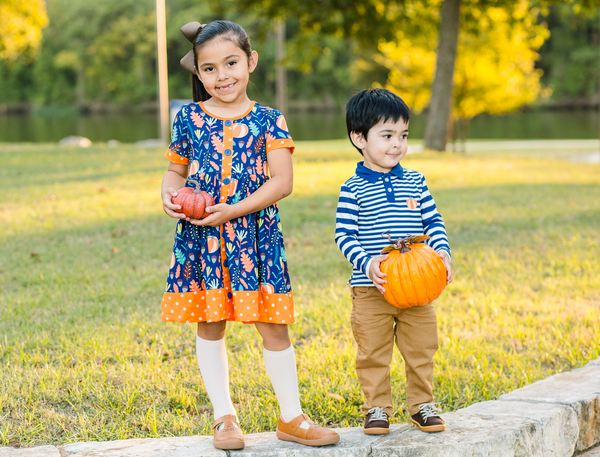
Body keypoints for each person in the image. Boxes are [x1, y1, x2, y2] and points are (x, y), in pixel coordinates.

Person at [160, 20, 340, 450]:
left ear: (250, 61)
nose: (222, 76)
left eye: (231, 63)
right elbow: (175, 171)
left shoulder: (268, 120)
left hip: (254, 238)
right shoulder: (188, 117)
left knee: (274, 327)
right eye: (209, 69)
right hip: (203, 240)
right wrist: (168, 195)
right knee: (210, 324)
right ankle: (224, 418)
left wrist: (232, 212)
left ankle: (292, 417)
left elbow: (282, 182)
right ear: (198, 73)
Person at [335, 88, 453, 435]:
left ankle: (421, 405)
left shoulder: (415, 181)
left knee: (421, 348)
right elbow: (344, 235)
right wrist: (367, 263)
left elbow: (434, 222)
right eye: (386, 135)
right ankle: (377, 409)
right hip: (372, 288)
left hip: (418, 289)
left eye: (402, 135)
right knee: (373, 352)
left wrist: (442, 252)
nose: (397, 144)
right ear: (359, 137)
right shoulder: (352, 187)